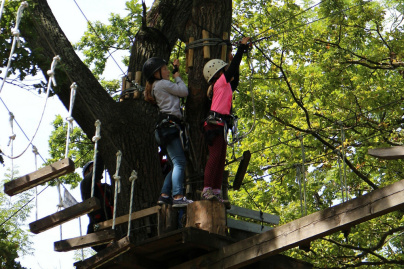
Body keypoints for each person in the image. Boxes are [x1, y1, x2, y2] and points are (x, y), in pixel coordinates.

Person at [202, 37, 251, 205]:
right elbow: (232, 71)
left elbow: (234, 78)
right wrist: (240, 49)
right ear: (218, 73)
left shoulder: (226, 85)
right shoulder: (219, 83)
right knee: (215, 157)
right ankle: (207, 188)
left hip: (221, 125)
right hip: (214, 124)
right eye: (224, 70)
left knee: (221, 158)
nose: (227, 72)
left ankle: (215, 190)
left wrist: (236, 57)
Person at [143, 57, 193, 207]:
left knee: (174, 164)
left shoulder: (156, 86)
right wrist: (177, 77)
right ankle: (178, 196)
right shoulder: (163, 84)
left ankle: (165, 195)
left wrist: (175, 70)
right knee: (180, 162)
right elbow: (184, 92)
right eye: (164, 69)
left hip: (164, 130)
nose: (167, 72)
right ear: (156, 73)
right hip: (169, 128)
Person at [80, 154, 114, 252]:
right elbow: (98, 168)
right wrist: (101, 149)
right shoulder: (86, 184)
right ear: (87, 173)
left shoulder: (106, 187)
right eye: (92, 167)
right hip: (98, 226)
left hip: (113, 221)